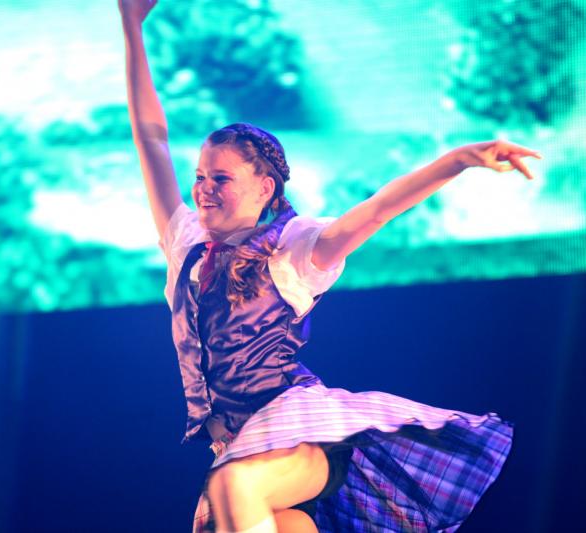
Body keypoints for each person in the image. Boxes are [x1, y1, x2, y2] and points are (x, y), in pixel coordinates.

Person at [119, 1, 537, 531]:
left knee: (235, 487)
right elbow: (151, 137)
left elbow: (378, 209)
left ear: (263, 187)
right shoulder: (186, 245)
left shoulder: (294, 250)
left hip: (295, 433)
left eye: (221, 178)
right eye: (201, 176)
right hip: (235, 446)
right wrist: (131, 26)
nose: (204, 188)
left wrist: (457, 161)